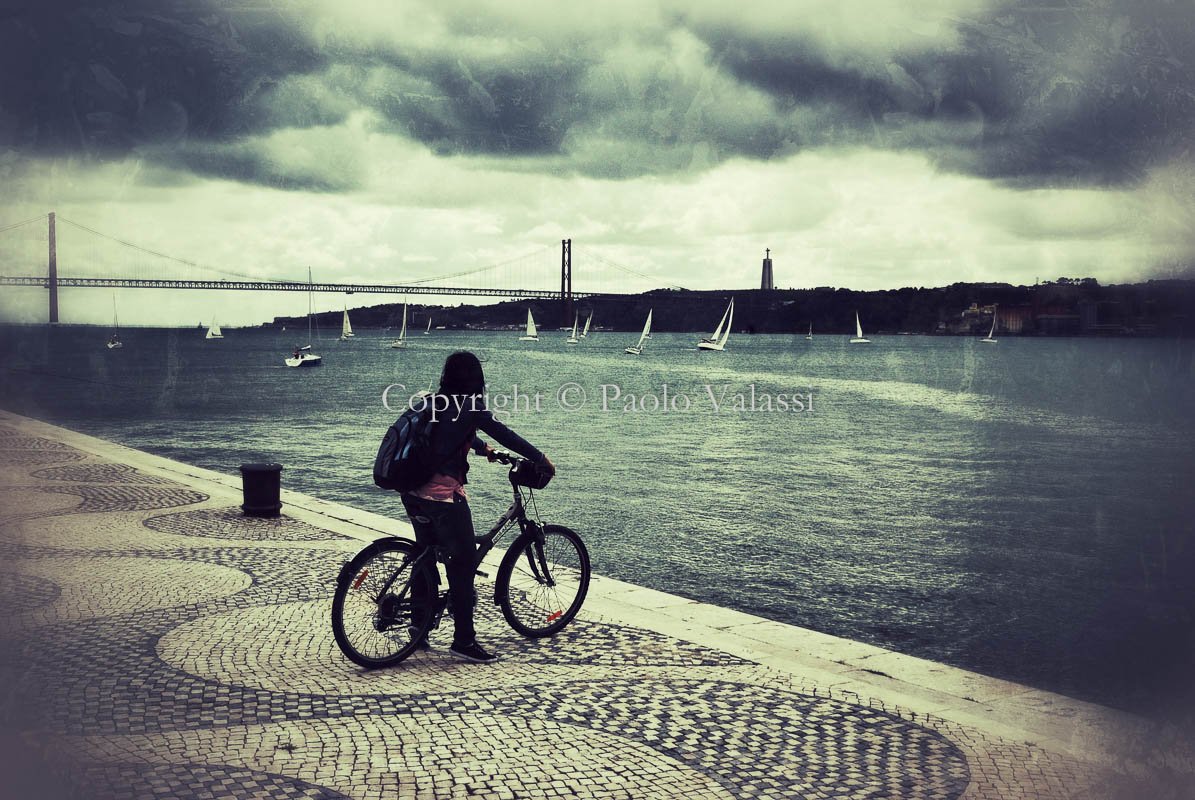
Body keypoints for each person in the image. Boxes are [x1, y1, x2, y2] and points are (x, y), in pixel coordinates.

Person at [401, 351, 554, 663]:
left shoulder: (433, 400)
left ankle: (418, 627)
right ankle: (464, 641)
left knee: (425, 554)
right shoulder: (471, 406)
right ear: (474, 379)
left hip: (411, 490)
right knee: (464, 562)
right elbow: (506, 433)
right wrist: (540, 458)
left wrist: (484, 449)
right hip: (441, 495)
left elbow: (448, 434)